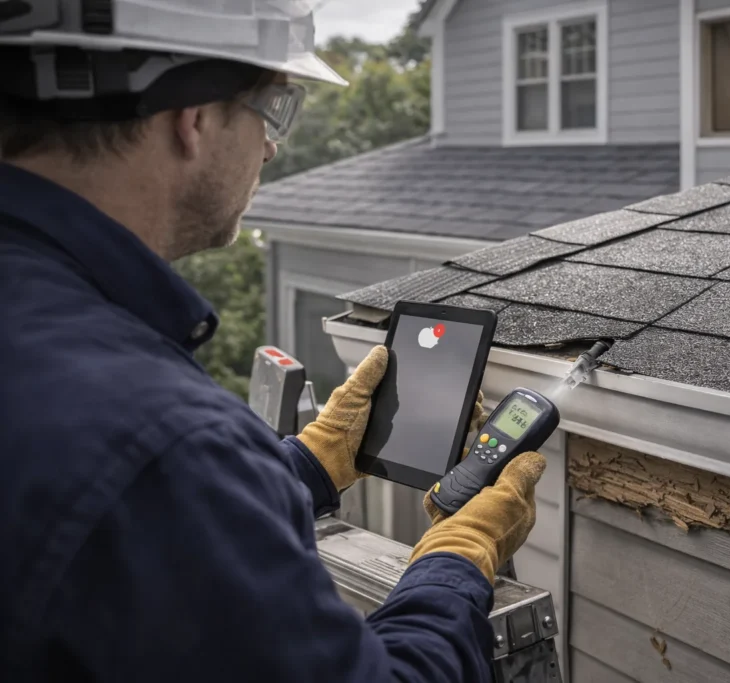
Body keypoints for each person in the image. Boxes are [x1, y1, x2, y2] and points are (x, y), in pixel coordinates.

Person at [0, 2, 547, 681]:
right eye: (273, 107)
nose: (271, 145)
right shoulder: (167, 443)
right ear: (193, 116)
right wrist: (457, 558)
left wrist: (308, 464)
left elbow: (117, 521)